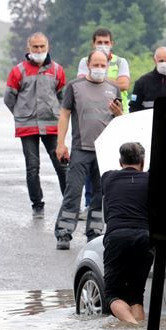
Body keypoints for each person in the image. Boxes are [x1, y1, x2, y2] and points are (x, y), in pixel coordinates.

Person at [53, 50, 123, 250]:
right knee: (73, 192)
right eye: (96, 64)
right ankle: (64, 233)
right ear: (88, 64)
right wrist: (60, 143)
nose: (99, 68)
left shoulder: (113, 88)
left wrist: (120, 114)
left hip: (104, 150)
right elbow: (64, 115)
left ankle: (94, 233)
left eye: (103, 65)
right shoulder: (75, 87)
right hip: (80, 149)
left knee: (101, 195)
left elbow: (120, 119)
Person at [4, 32, 68, 218]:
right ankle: (37, 203)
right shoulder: (18, 71)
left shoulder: (57, 70)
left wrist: (58, 116)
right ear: (28, 49)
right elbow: (9, 98)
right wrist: (21, 114)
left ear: (48, 47)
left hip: (51, 125)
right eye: (35, 47)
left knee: (61, 164)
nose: (39, 50)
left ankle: (69, 202)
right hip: (27, 126)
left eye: (42, 47)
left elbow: (63, 97)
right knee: (32, 166)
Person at [76, 28, 131, 212]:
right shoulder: (85, 61)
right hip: (92, 115)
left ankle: (113, 203)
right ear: (93, 44)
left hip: (117, 115)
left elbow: (124, 84)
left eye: (106, 42)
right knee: (91, 160)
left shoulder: (120, 61)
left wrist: (100, 78)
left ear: (112, 43)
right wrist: (109, 80)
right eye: (99, 42)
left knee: (115, 160)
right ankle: (90, 204)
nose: (103, 45)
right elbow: (82, 82)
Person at [100, 142, 154, 323]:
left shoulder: (108, 178)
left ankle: (134, 329)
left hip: (116, 237)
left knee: (112, 295)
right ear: (143, 161)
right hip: (144, 237)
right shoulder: (151, 180)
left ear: (120, 161)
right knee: (136, 296)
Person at [129, 47, 166, 113]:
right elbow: (133, 108)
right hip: (148, 122)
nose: (164, 64)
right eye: (161, 61)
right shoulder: (142, 82)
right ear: (155, 60)